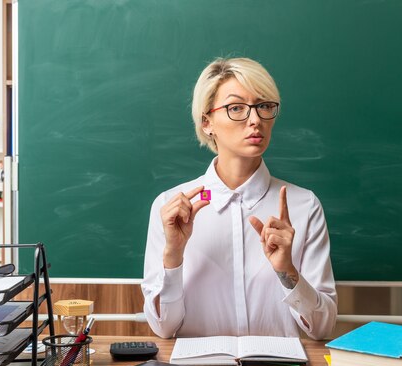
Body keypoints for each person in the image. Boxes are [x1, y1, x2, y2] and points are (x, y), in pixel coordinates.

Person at [141, 57, 337, 340]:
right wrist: (173, 253)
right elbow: (163, 328)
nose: (255, 119)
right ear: (207, 122)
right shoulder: (170, 207)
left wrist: (287, 271)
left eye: (264, 106)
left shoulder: (303, 205)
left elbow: (323, 328)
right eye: (236, 108)